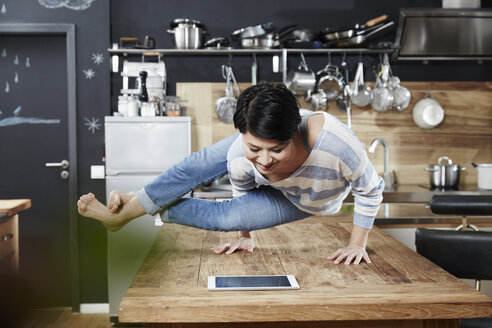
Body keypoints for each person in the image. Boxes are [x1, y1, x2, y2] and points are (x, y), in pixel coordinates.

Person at [78, 83, 384, 265]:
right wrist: (245, 233)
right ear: (243, 135)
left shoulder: (337, 144)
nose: (264, 160)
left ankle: (133, 201)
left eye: (276, 150)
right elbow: (243, 185)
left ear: (293, 133)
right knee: (195, 165)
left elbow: (369, 189)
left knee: (224, 218)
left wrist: (357, 244)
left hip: (306, 199)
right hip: (263, 171)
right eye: (254, 148)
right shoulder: (241, 151)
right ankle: (121, 216)